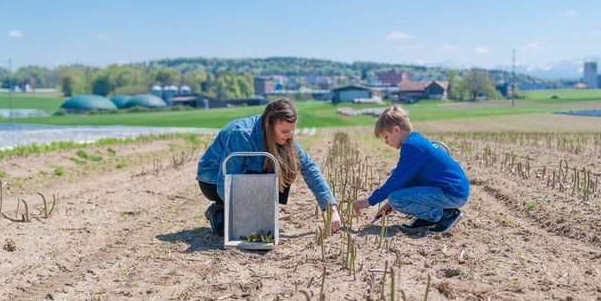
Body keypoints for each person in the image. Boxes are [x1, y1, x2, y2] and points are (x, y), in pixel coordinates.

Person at [196, 98, 342, 236]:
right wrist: (248, 218)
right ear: (269, 124)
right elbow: (226, 181)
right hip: (212, 181)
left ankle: (249, 212)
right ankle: (219, 211)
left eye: (291, 131)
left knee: (286, 165)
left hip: (246, 178)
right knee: (236, 229)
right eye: (284, 132)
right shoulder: (242, 135)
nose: (289, 136)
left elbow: (310, 168)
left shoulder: (285, 139)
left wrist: (331, 208)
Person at [353, 105, 469, 233]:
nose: (386, 142)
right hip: (451, 190)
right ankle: (433, 217)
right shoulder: (415, 141)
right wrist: (388, 205)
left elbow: (396, 180)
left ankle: (443, 215)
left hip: (451, 193)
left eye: (386, 136)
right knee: (395, 175)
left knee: (396, 199)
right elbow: (405, 178)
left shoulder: (412, 147)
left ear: (396, 130)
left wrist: (370, 201)